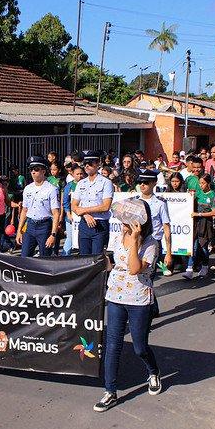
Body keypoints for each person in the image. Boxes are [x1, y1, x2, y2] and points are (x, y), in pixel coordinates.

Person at [94, 200, 161, 412]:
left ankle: (152, 371)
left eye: (128, 220)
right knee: (112, 345)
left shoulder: (151, 244)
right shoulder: (117, 236)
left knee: (140, 346)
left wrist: (133, 241)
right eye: (123, 219)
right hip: (115, 296)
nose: (123, 223)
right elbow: (113, 264)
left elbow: (134, 268)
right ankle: (110, 391)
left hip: (139, 299)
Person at [71, 150, 114, 255]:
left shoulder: (106, 182)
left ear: (98, 163)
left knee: (97, 258)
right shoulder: (81, 183)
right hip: (84, 223)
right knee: (83, 258)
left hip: (99, 224)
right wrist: (85, 215)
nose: (87, 166)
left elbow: (106, 206)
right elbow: (73, 205)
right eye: (85, 163)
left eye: (90, 163)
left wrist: (84, 210)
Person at [17, 157, 61, 257]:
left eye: (36, 169)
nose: (33, 172)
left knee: (45, 258)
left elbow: (56, 213)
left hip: (44, 226)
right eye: (31, 169)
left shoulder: (52, 189)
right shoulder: (28, 188)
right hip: (30, 225)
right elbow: (24, 210)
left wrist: (53, 235)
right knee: (24, 257)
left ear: (43, 171)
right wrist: (19, 231)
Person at [185, 174, 215, 279]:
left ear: (208, 183)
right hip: (195, 223)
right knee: (193, 246)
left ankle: (204, 266)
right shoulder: (198, 193)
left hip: (205, 224)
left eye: (203, 183)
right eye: (200, 183)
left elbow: (214, 212)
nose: (201, 185)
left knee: (203, 247)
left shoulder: (213, 196)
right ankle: (189, 269)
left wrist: (199, 214)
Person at [61, 165, 85, 256]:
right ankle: (65, 256)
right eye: (77, 174)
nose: (79, 176)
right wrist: (68, 214)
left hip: (83, 216)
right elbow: (65, 201)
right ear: (73, 174)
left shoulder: (86, 183)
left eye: (81, 174)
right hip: (71, 217)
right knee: (70, 237)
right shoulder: (69, 186)